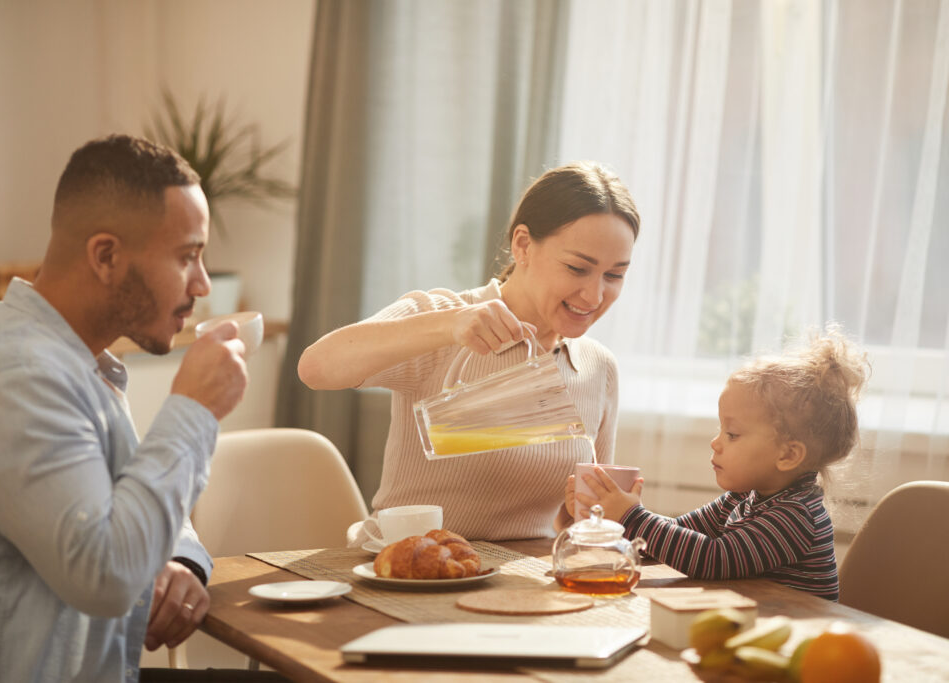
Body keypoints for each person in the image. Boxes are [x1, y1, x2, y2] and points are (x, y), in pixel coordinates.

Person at [0, 134, 266, 682]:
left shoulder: (78, 363)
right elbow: (107, 576)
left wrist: (181, 561)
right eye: (187, 257)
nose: (202, 284)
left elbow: (127, 499)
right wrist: (194, 410)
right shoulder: (18, 380)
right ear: (106, 256)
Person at [299, 161, 640, 541]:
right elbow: (315, 368)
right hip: (410, 575)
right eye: (577, 268)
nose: (594, 296)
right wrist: (448, 326)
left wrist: (598, 514)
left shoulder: (598, 368)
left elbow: (582, 520)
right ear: (523, 244)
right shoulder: (443, 320)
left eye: (614, 275)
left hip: (521, 584)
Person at [569, 327, 869, 601]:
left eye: (732, 434)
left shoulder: (797, 516)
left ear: (788, 455)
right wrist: (611, 522)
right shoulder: (743, 498)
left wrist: (632, 517)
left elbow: (713, 559)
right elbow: (673, 539)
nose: (716, 443)